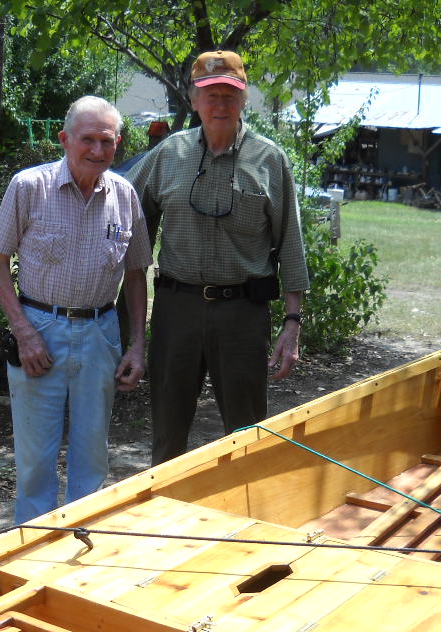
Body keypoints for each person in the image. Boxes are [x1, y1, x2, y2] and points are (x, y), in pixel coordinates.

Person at [126, 50, 309, 465]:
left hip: (242, 314)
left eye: (230, 93)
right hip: (177, 309)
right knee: (167, 437)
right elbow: (122, 209)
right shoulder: (169, 154)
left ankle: (240, 523)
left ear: (244, 99)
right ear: (193, 99)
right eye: (211, 94)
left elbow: (292, 244)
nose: (221, 103)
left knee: (247, 438)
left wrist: (292, 325)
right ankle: (165, 521)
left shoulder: (269, 160)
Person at [0, 96, 152, 523]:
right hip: (39, 328)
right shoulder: (29, 187)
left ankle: (80, 547)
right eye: (87, 140)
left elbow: (136, 273)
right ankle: (32, 551)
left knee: (92, 455)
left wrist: (137, 346)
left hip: (101, 332)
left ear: (118, 143)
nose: (98, 151)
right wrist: (22, 331)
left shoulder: (126, 196)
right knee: (36, 457)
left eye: (107, 141)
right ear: (64, 139)